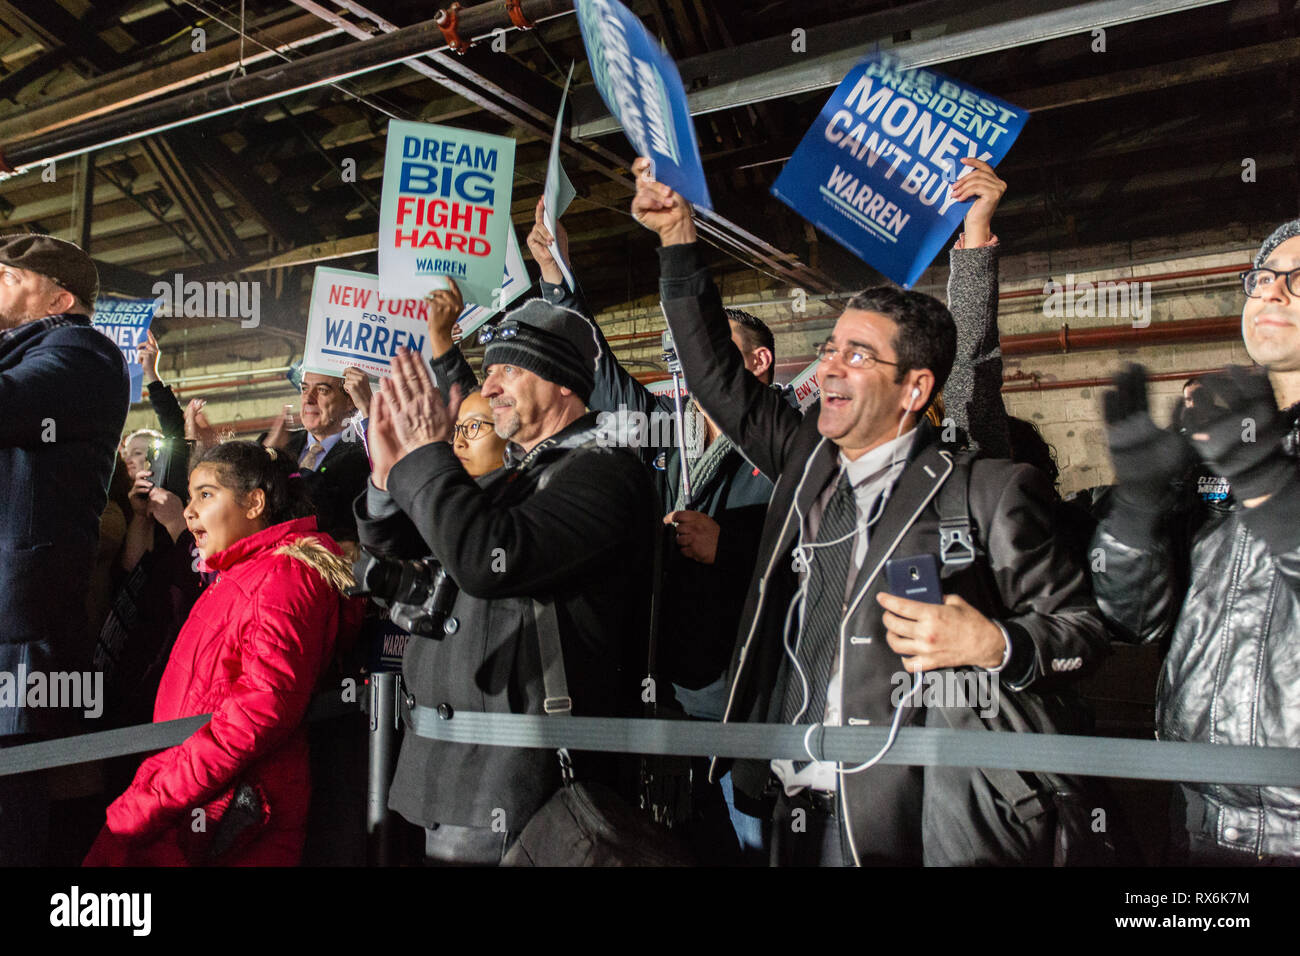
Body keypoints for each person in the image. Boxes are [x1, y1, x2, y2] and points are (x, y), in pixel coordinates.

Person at [631, 157, 1109, 866]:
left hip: (903, 818)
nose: (829, 367)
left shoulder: (985, 490)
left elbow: (1082, 636)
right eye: (830, 349)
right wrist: (677, 237)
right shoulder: (803, 460)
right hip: (783, 798)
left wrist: (994, 646)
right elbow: (715, 373)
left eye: (857, 355)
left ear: (915, 388)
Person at [354, 301, 658, 866]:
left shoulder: (606, 471)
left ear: (564, 384)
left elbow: (484, 558)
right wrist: (386, 470)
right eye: (489, 369)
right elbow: (403, 548)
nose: (488, 385)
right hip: (453, 771)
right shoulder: (524, 472)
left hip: (519, 786)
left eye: (508, 369)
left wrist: (427, 456)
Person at [1092, 219, 1300, 865]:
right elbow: (1133, 621)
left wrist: (1266, 481)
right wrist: (1137, 508)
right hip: (1200, 808)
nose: (1273, 292)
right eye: (1263, 278)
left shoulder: (1247, 455)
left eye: (1299, 280)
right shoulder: (1221, 446)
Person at [83, 441, 364, 866]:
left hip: (231, 815)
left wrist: (160, 794)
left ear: (254, 502)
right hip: (200, 801)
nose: (190, 510)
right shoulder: (243, 572)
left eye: (206, 494)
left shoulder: (283, 575)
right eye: (192, 496)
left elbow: (262, 709)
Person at [0, 234, 130, 865]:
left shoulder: (83, 352)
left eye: (7, 275)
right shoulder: (25, 352)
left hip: (18, 630)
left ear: (60, 295)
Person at [262, 370, 370, 547]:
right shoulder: (272, 445)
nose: (308, 399)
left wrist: (275, 464)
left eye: (322, 390)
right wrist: (268, 456)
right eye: (305, 389)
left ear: (350, 401)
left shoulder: (365, 455)